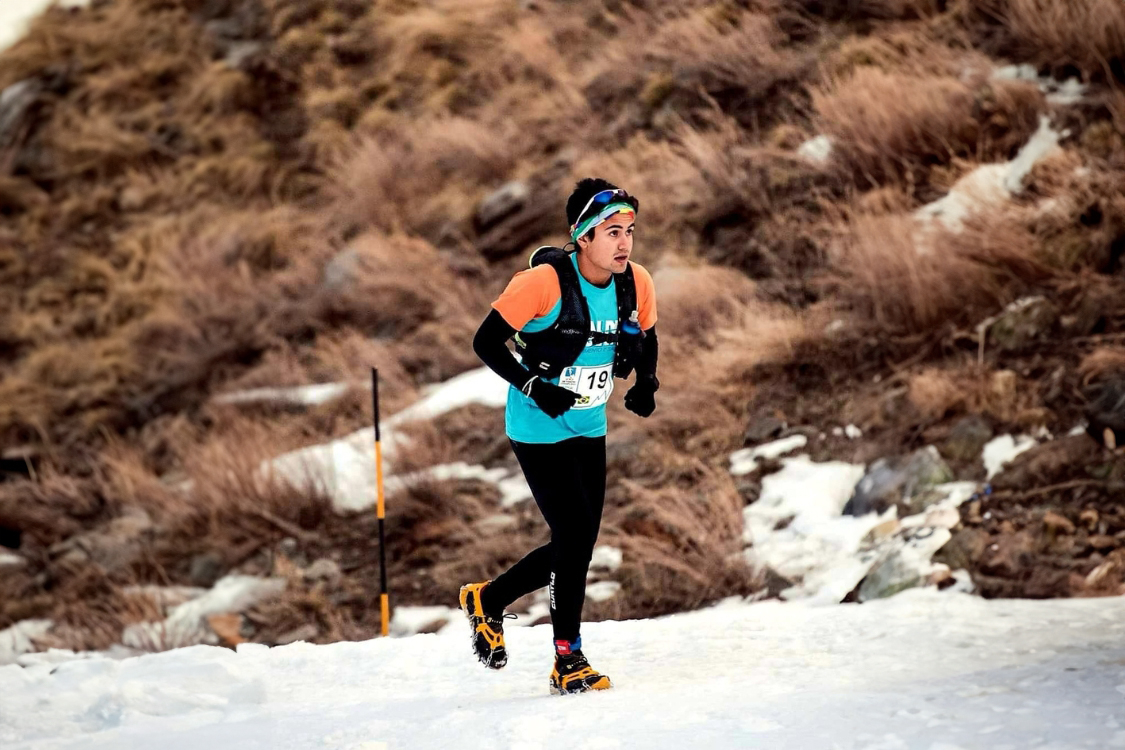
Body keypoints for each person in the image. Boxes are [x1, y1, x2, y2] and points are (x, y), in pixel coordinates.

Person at [459, 178, 659, 695]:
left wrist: (646, 382)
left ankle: (489, 600)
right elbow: (486, 341)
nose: (624, 243)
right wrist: (532, 386)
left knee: (578, 542)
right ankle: (567, 659)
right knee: (574, 538)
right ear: (583, 237)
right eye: (611, 231)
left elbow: (647, 335)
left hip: (589, 423)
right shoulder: (543, 283)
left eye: (630, 231)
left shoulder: (635, 282)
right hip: (537, 426)